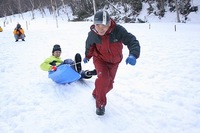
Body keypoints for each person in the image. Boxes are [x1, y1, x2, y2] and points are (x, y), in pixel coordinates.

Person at [83, 11, 140, 115]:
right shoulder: (93, 34)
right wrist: (87, 56)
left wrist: (133, 54)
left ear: (109, 23)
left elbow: (132, 41)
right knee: (103, 79)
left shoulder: (118, 31)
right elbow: (89, 45)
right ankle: (100, 104)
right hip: (100, 59)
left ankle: (97, 92)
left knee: (109, 85)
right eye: (98, 25)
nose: (100, 28)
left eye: (103, 25)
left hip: (114, 62)